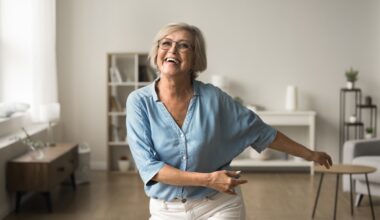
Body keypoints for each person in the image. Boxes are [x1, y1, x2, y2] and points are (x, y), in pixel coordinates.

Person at [126, 22, 332, 220]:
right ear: (157, 51)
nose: (172, 50)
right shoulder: (139, 102)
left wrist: (310, 154)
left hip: (218, 205)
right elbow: (150, 168)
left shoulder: (214, 98)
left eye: (183, 45)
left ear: (195, 58)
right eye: (166, 43)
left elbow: (261, 132)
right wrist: (209, 179)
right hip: (166, 209)